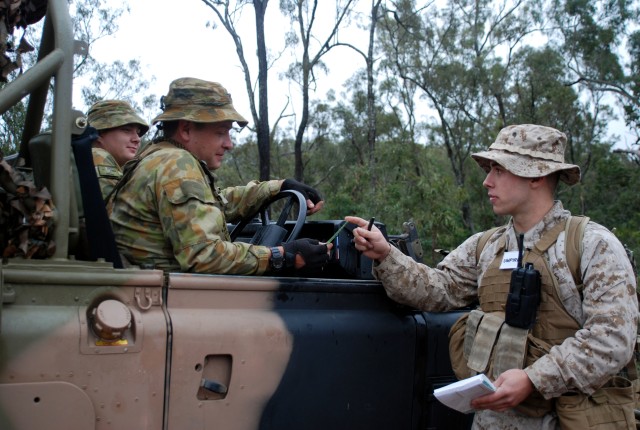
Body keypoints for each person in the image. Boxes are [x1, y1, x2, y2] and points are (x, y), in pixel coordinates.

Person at [346, 124, 638, 429]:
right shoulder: (486, 246)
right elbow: (438, 290)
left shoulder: (591, 244)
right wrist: (386, 255)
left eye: (499, 170)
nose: (487, 182)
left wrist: (534, 379)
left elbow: (613, 338)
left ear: (536, 174)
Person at [109, 77, 330, 275]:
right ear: (186, 130)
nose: (229, 144)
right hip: (170, 300)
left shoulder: (159, 157)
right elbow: (204, 256)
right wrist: (283, 255)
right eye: (220, 132)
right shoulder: (177, 164)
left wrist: (278, 187)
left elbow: (214, 205)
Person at [87, 99, 149, 199]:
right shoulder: (97, 156)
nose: (137, 139)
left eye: (137, 132)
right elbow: (115, 213)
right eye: (126, 130)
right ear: (98, 133)